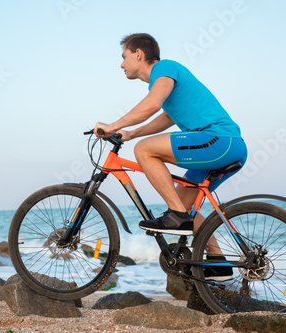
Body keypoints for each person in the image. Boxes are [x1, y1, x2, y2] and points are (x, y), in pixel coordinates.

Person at [94, 33, 248, 281]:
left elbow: (152, 105)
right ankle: (218, 262)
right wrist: (130, 133)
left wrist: (112, 126)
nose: (121, 64)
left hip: (218, 141)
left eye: (124, 57)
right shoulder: (164, 84)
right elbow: (165, 117)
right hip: (225, 146)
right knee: (184, 205)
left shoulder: (164, 68)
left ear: (139, 54)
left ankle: (176, 217)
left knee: (144, 151)